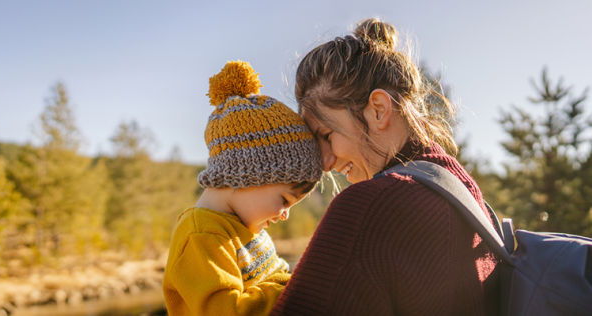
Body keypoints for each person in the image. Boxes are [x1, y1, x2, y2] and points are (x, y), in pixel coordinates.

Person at [271, 18, 499, 316]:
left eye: (326, 136)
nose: (325, 163)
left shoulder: (370, 207)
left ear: (378, 109)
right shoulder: (459, 186)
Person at [163, 60, 322, 316]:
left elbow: (277, 276)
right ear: (247, 176)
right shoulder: (201, 235)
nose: (284, 214)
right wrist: (299, 291)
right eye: (284, 199)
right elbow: (227, 311)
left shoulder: (246, 226)